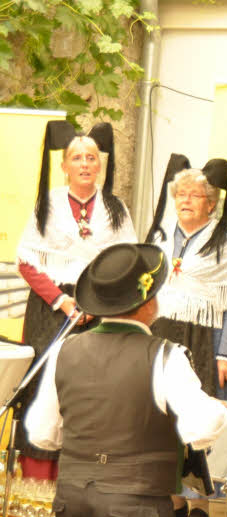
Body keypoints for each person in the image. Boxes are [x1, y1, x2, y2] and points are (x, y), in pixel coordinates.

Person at [24, 242, 227, 517]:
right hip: (137, 508)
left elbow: (42, 434)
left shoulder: (64, 351)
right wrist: (221, 412)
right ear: (148, 302)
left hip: (74, 502)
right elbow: (200, 427)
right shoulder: (165, 355)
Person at [15, 121, 135, 480]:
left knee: (92, 389)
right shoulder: (47, 204)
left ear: (100, 165)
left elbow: (125, 262)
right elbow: (27, 261)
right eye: (77, 158)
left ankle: (86, 475)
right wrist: (63, 302)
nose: (85, 164)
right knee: (44, 388)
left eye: (91, 158)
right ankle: (38, 479)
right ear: (64, 165)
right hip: (52, 312)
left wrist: (93, 304)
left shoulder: (116, 209)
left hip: (98, 312)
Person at [146, 158, 227, 517]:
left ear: (211, 203)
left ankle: (202, 502)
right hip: (160, 333)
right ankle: (173, 498)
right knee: (161, 415)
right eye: (181, 194)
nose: (186, 200)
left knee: (197, 414)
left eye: (195, 195)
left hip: (202, 338)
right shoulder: (161, 235)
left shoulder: (225, 242)